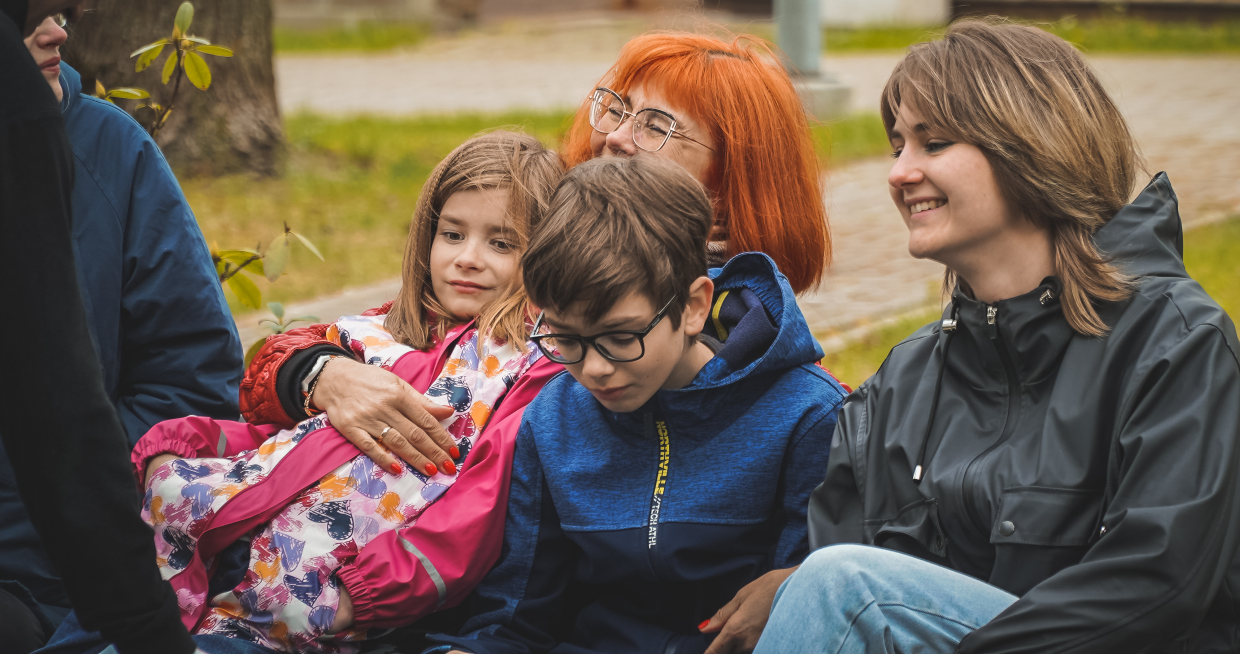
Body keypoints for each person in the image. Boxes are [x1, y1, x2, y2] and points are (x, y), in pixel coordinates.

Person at [700, 19, 1240, 654]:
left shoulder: (1174, 343)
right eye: (897, 145)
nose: (901, 172)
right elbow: (843, 571)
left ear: (1032, 145)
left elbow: (1155, 585)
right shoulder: (903, 382)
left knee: (844, 587)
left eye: (934, 143)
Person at [39, 131, 565, 654]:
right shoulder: (385, 327)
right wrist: (185, 448)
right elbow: (273, 409)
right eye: (452, 234)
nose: (467, 258)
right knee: (95, 633)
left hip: (298, 600)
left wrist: (360, 598)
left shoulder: (524, 369)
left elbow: (476, 510)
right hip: (200, 538)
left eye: (501, 243)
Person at [236, 32, 834, 489]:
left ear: (732, 183)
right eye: (617, 109)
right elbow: (380, 330)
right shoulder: (543, 255)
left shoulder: (756, 342)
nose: (615, 138)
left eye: (656, 126)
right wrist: (323, 374)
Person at [427, 155, 845, 654]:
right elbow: (514, 619)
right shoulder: (552, 419)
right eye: (566, 339)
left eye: (621, 337)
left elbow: (822, 609)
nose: (595, 368)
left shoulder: (807, 415)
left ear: (691, 307)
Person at [0, 0, 196, 652]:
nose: (83, 1)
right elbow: (54, 401)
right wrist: (150, 632)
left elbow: (188, 365)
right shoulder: (13, 103)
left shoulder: (112, 149)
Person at [4, 15, 242, 636]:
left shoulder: (111, 151)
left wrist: (63, 493)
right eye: (21, 18)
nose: (55, 32)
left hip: (56, 577)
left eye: (56, 12)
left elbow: (193, 383)